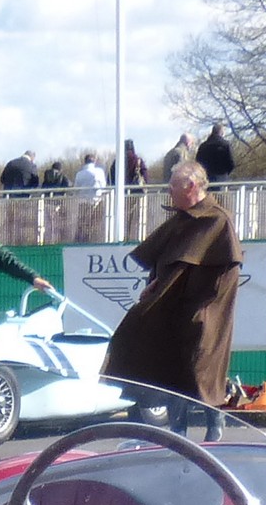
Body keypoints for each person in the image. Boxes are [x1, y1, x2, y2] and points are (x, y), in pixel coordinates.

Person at [104, 162, 244, 427]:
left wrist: (204, 307)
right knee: (164, 356)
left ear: (191, 186)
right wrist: (156, 284)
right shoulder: (180, 221)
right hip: (173, 304)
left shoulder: (217, 220)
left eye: (173, 185)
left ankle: (214, 419)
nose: (168, 190)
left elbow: (222, 272)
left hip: (203, 305)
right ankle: (178, 429)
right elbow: (167, 261)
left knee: (199, 362)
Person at [74, 149, 110, 241]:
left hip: (82, 202)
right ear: (94, 161)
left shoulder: (79, 174)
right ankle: (93, 240)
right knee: (94, 224)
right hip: (96, 201)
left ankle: (81, 240)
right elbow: (103, 186)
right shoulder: (99, 171)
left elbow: (76, 189)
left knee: (82, 223)